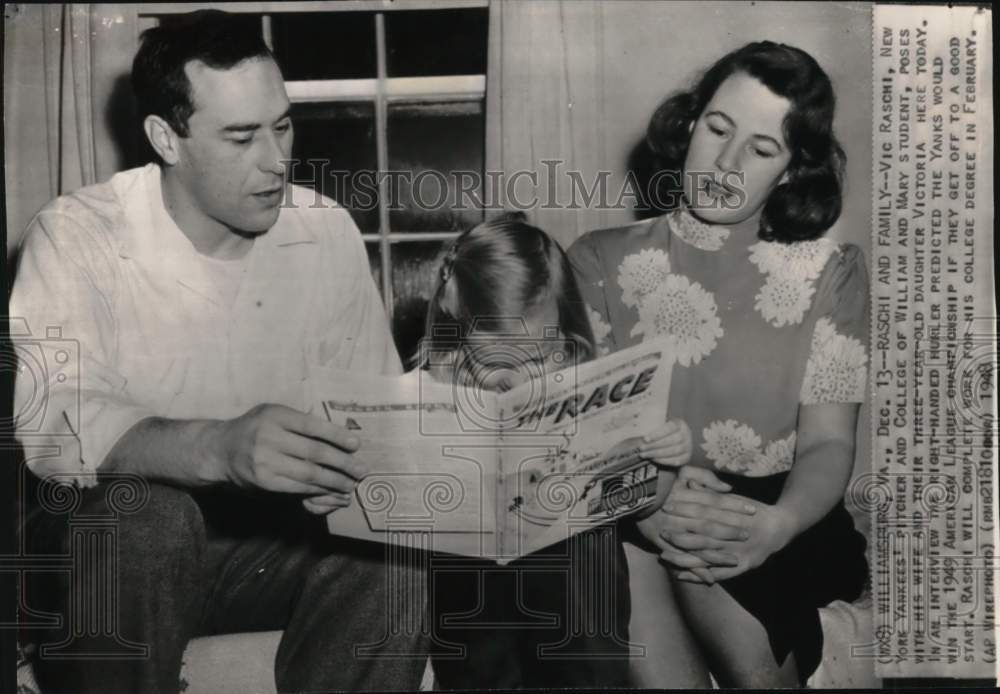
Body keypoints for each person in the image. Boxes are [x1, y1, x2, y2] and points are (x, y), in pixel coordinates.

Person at [12, 11, 427, 693]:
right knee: (145, 518)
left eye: (283, 125)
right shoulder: (76, 233)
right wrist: (223, 447)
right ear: (164, 139)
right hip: (112, 557)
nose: (276, 160)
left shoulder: (322, 231)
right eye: (241, 136)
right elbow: (55, 427)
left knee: (398, 542)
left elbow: (373, 418)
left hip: (268, 552)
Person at [568, 41, 869, 687]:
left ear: (791, 170)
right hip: (636, 503)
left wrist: (775, 526)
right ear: (690, 123)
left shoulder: (831, 273)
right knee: (634, 549)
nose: (726, 162)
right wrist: (649, 504)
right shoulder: (596, 259)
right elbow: (586, 441)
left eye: (761, 150)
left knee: (707, 553)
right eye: (717, 128)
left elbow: (826, 443)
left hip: (775, 515)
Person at [409, 215, 692, 688]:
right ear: (457, 325)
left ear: (563, 327)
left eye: (541, 357)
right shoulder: (434, 386)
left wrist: (664, 458)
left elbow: (642, 500)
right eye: (498, 358)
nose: (522, 379)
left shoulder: (586, 386)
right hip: (477, 589)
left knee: (584, 542)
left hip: (573, 601)